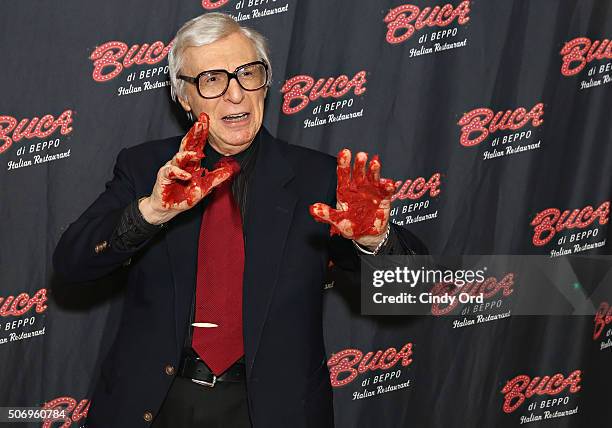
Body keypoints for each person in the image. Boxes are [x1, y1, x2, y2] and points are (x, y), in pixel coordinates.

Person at [53, 12, 426, 428]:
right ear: (183, 97)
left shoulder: (320, 178)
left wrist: (375, 241)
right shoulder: (145, 168)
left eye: (248, 73)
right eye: (212, 79)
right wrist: (151, 212)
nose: (235, 94)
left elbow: (413, 295)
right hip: (153, 406)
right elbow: (73, 263)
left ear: (265, 83)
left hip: (270, 411)